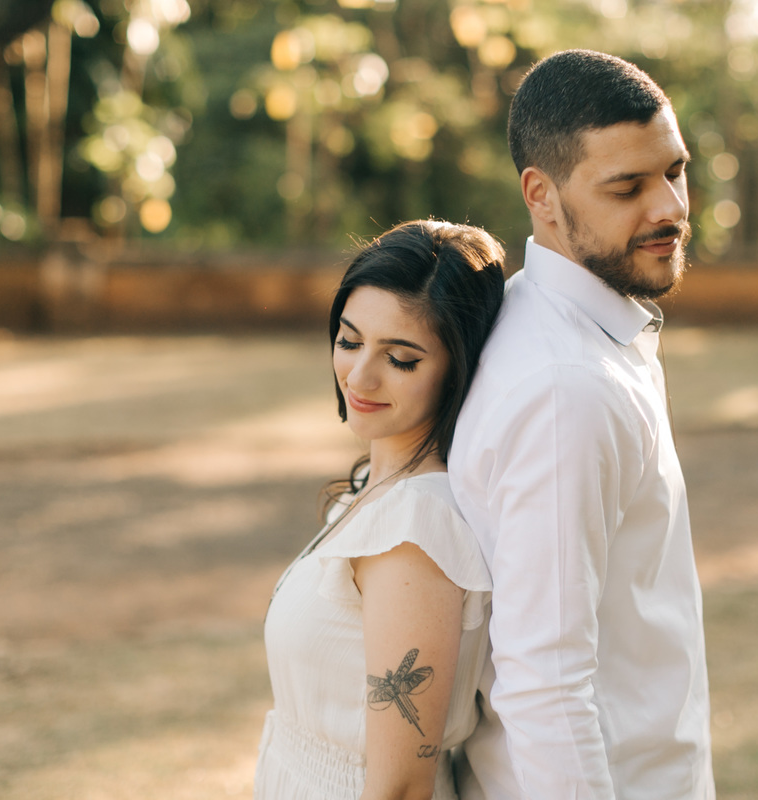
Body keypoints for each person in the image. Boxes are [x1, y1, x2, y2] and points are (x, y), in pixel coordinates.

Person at [448, 50, 715, 798]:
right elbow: (545, 683)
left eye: (675, 171)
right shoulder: (566, 388)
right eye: (627, 187)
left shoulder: (573, 328)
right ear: (541, 194)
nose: (669, 208)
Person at [256, 220, 505, 800]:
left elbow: (400, 787)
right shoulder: (378, 487)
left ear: (457, 369)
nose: (360, 376)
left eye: (400, 359)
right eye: (349, 341)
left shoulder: (413, 532)